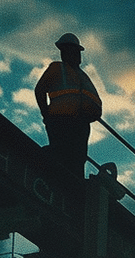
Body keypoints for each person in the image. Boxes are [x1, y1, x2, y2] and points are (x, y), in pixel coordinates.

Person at [34, 33, 103, 175]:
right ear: (65, 52)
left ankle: (75, 186)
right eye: (73, 51)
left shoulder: (82, 75)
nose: (77, 55)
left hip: (81, 123)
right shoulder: (56, 68)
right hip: (61, 121)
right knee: (61, 154)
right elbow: (40, 90)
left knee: (77, 160)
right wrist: (46, 113)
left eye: (78, 52)